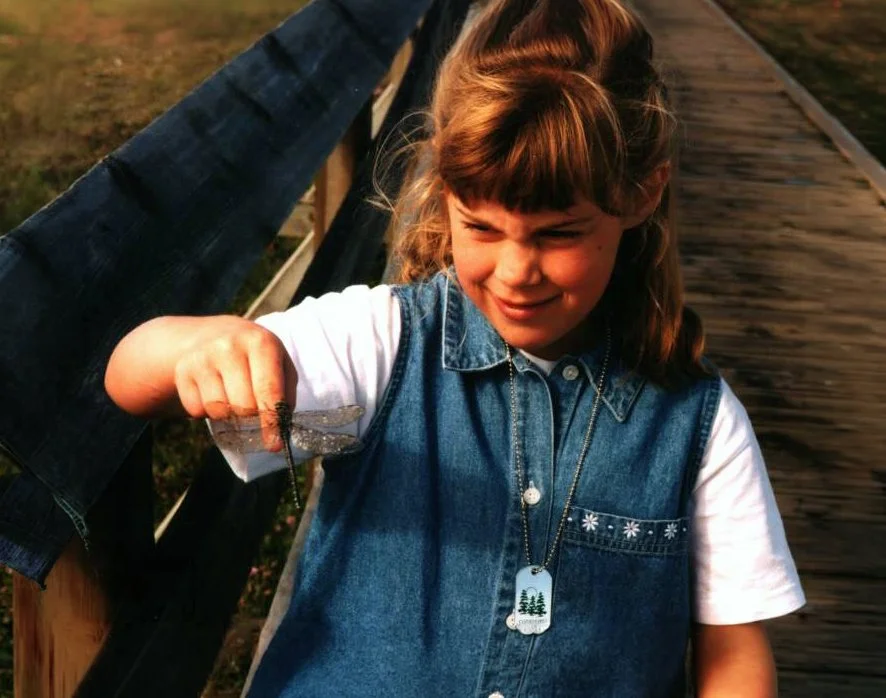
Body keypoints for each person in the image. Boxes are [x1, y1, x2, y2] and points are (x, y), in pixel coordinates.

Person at [105, 0, 805, 695]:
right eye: (481, 226)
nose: (514, 271)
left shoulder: (699, 425)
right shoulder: (377, 358)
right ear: (444, 194)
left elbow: (733, 652)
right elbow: (130, 377)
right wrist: (205, 343)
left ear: (642, 194)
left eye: (558, 233)